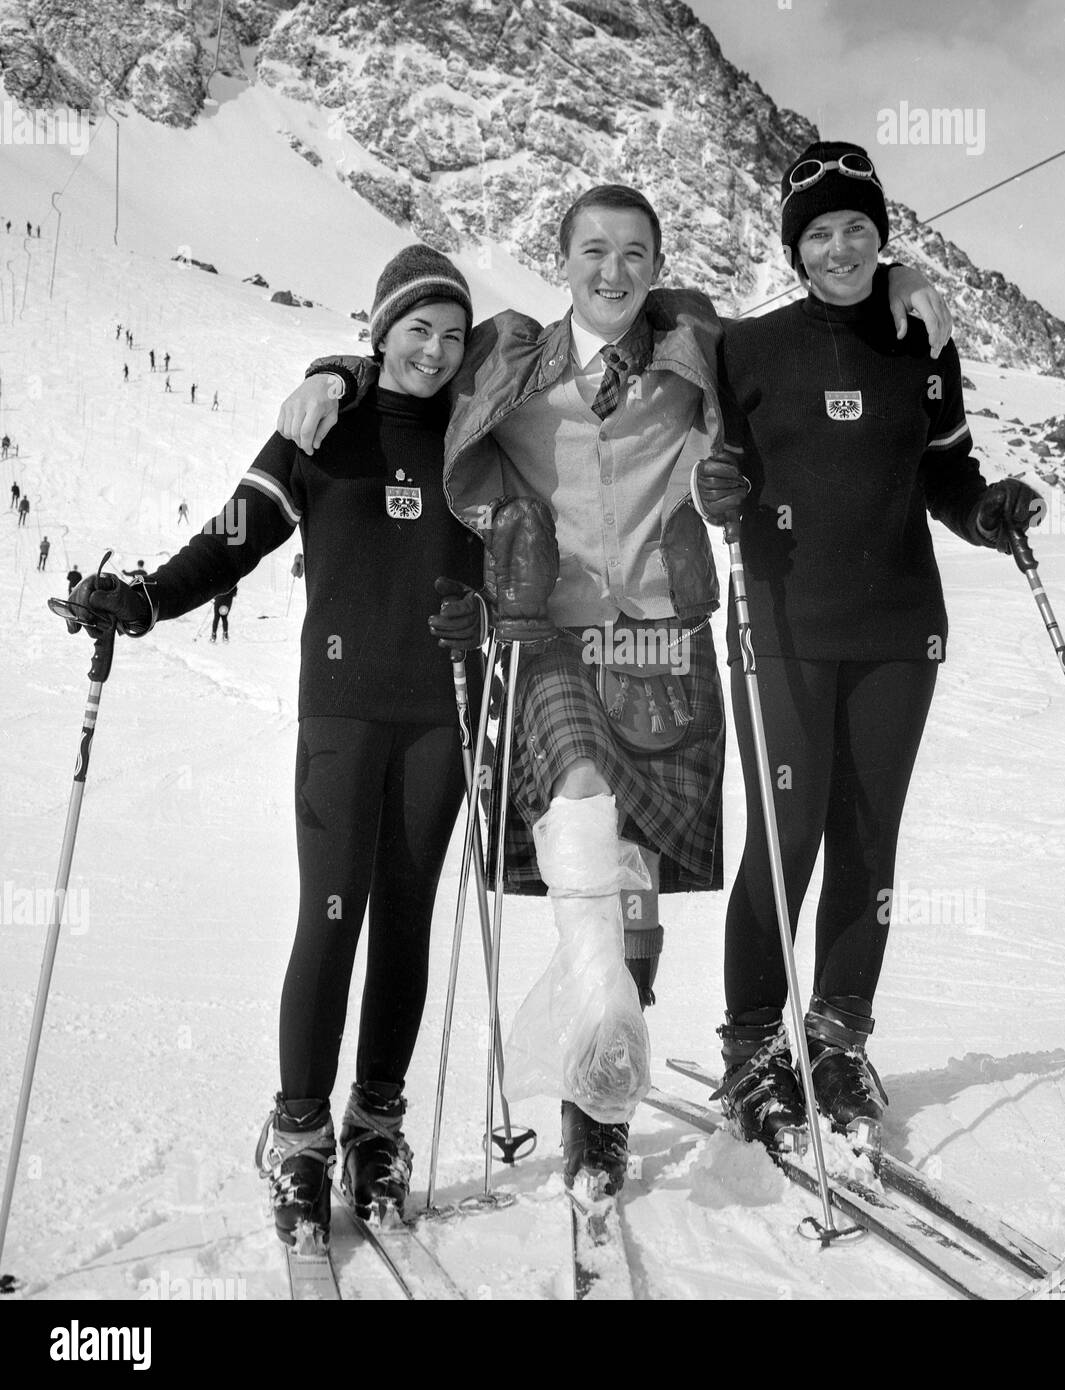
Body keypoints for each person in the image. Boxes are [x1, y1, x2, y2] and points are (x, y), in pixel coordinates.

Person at [276, 184, 951, 1197]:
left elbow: (827, 315)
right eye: (595, 249)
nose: (615, 269)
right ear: (563, 256)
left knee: (634, 890)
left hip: (665, 650)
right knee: (588, 818)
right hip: (551, 643)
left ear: (660, 264)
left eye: (637, 251)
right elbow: (410, 377)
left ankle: (600, 1099)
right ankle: (588, 1065)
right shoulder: (507, 358)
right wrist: (336, 370)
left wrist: (903, 276)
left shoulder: (699, 348)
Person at [63, 245, 485, 1251]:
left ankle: (375, 1129)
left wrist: (492, 605)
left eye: (452, 335)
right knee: (332, 916)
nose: (434, 351)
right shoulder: (322, 427)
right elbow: (236, 535)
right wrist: (151, 597)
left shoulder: (481, 433)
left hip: (442, 716)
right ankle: (298, 1136)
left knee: (408, 926)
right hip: (342, 710)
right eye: (415, 330)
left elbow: (518, 547)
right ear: (380, 331)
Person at [695, 142, 1045, 1153]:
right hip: (781, 623)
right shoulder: (746, 348)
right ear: (794, 250)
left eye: (859, 229)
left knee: (868, 839)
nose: (841, 247)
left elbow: (943, 472)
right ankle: (756, 1044)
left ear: (882, 237)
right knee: (788, 834)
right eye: (820, 233)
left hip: (899, 627)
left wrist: (987, 510)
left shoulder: (917, 342)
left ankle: (838, 1035)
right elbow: (710, 449)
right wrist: (719, 486)